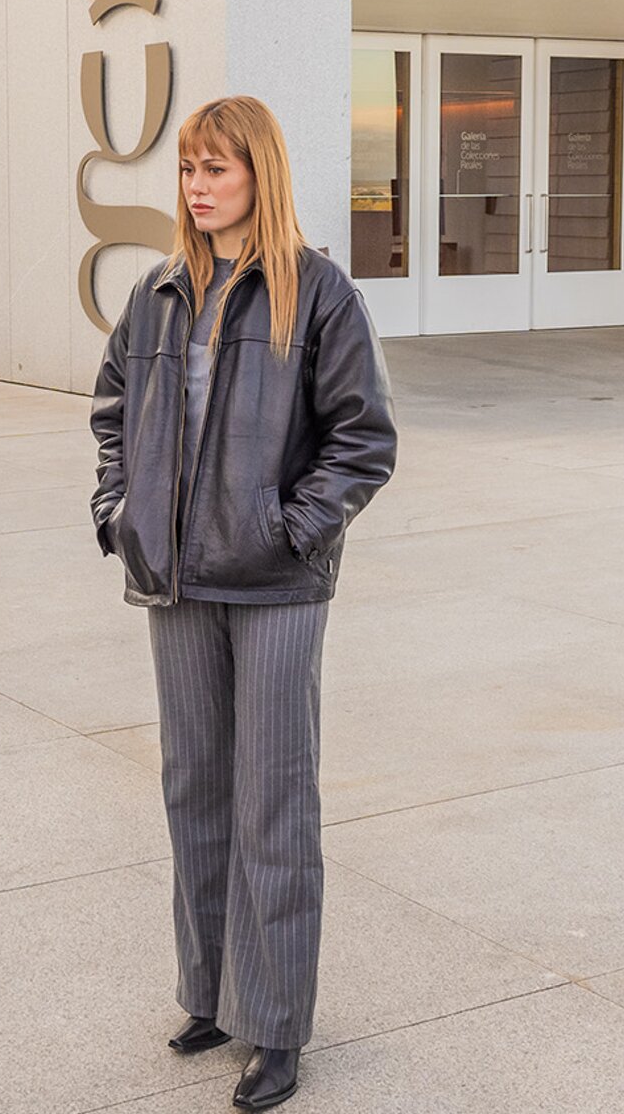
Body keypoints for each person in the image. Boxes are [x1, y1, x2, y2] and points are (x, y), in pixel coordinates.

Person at [90, 96, 397, 1111]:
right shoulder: (157, 290)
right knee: (194, 791)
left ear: (258, 173)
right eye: (186, 169)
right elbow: (107, 413)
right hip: (173, 582)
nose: (195, 185)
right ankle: (209, 993)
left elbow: (363, 440)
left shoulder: (316, 295)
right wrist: (117, 507)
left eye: (214, 167)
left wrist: (290, 527)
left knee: (272, 800)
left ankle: (274, 1023)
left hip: (271, 586)